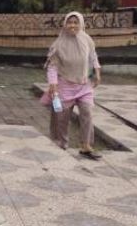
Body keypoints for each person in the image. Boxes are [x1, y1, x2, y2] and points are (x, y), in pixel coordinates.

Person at [41, 11, 102, 160]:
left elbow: (93, 57)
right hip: (65, 86)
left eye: (75, 22)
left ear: (81, 24)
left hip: (84, 85)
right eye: (69, 22)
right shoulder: (58, 44)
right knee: (61, 118)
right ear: (65, 24)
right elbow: (52, 66)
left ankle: (86, 146)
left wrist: (97, 72)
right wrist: (53, 84)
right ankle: (61, 143)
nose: (72, 25)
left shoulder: (87, 39)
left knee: (87, 113)